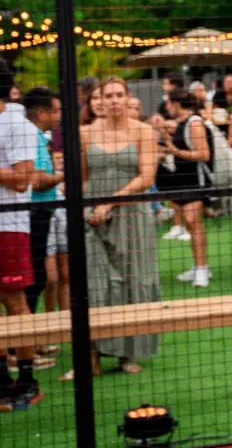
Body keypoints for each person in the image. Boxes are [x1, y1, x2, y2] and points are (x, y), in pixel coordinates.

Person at [74, 77, 161, 377]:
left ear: (127, 98)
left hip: (132, 217)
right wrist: (89, 208)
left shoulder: (144, 132)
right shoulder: (84, 134)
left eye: (118, 95)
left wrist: (111, 202)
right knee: (96, 284)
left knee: (133, 280)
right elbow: (83, 178)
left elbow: (147, 178)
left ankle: (128, 354)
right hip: (94, 218)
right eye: (106, 95)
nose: (112, 101)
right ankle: (93, 356)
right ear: (97, 101)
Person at [0, 58, 42, 411]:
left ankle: (27, 378)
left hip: (9, 225)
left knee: (16, 302)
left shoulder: (17, 122)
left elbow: (22, 178)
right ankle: (1, 378)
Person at [162, 89, 212, 288]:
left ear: (176, 103)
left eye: (168, 103)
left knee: (193, 221)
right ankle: (200, 266)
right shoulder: (182, 124)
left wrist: (176, 152)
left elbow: (204, 154)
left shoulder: (195, 123)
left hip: (196, 180)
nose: (167, 108)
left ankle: (201, 269)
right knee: (191, 224)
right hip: (182, 180)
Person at [23, 88, 64, 326]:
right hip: (35, 215)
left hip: (40, 214)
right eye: (56, 111)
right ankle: (24, 345)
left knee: (37, 278)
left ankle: (29, 342)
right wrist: (63, 175)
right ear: (41, 113)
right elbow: (36, 180)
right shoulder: (31, 135)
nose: (59, 116)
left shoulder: (37, 135)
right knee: (34, 278)